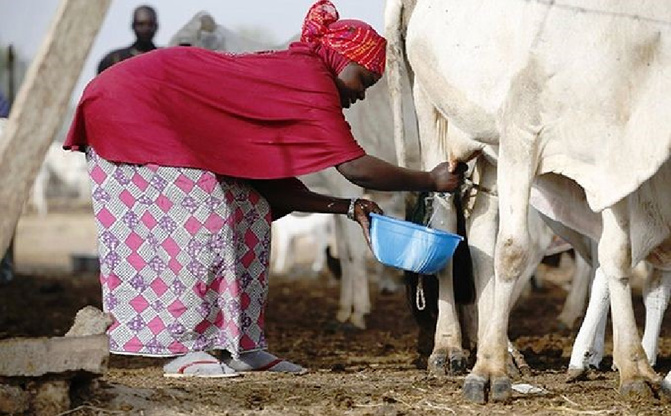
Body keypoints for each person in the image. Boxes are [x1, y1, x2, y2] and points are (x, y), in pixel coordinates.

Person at [64, 0, 465, 378]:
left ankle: (241, 344)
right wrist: (429, 180)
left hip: (156, 111)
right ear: (341, 60)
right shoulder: (311, 80)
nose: (361, 94)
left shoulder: (301, 78)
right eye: (364, 79)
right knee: (205, 207)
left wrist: (348, 208)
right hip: (129, 107)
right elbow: (357, 168)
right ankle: (185, 348)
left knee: (250, 207)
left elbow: (272, 190)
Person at [97, 5, 159, 74]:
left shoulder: (163, 60)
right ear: (133, 26)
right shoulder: (114, 58)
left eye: (150, 24)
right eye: (141, 24)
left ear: (156, 26)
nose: (146, 29)